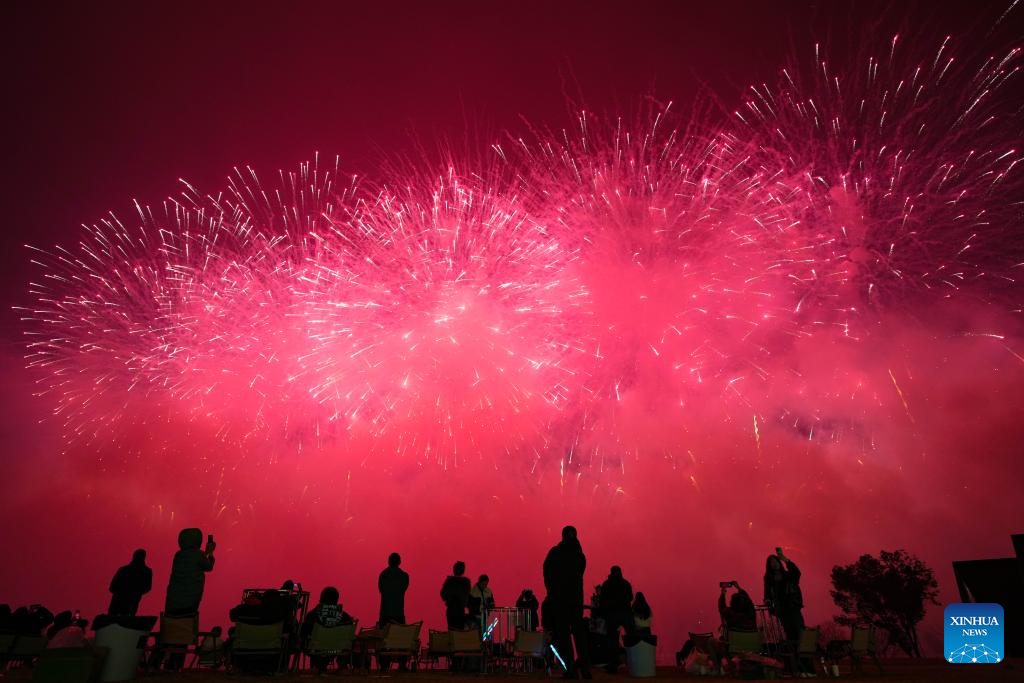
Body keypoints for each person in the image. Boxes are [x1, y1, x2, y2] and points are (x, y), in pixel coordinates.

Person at [543, 525, 590, 679]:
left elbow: (546, 572)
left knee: (564, 636)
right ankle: (585, 669)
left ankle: (571, 669)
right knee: (579, 635)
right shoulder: (579, 555)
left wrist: (552, 592)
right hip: (576, 601)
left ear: (562, 535)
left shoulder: (555, 553)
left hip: (560, 601)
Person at [301, 586, 354, 674]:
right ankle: (342, 665)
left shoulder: (312, 615)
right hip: (336, 648)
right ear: (336, 599)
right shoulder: (345, 617)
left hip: (316, 649)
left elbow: (304, 633)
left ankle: (317, 665)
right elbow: (350, 636)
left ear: (321, 598)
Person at [165, 528, 216, 617]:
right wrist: (210, 553)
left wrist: (205, 552)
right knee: (188, 622)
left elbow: (194, 560)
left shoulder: (178, 555)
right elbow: (208, 567)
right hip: (190, 601)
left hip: (173, 601)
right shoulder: (198, 554)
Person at [764, 549, 804, 642]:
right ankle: (793, 652)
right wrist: (767, 600)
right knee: (789, 631)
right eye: (771, 562)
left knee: (799, 629)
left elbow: (797, 573)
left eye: (775, 561)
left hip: (793, 605)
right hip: (782, 608)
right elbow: (767, 592)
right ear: (769, 566)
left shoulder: (787, 575)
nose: (774, 563)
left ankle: (803, 651)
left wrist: (785, 559)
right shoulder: (769, 578)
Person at [598, 566, 633, 672]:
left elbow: (602, 600)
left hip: (612, 615)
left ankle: (613, 665)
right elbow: (630, 597)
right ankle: (634, 662)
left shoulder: (607, 584)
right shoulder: (626, 584)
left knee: (612, 641)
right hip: (625, 614)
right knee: (631, 638)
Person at [108, 549, 153, 616]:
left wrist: (136, 592)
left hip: (131, 602)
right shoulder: (124, 570)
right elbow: (112, 587)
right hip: (119, 601)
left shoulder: (146, 571)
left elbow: (147, 587)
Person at [378, 552, 409, 626]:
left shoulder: (383, 575)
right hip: (399, 614)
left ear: (389, 561)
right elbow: (404, 588)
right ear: (399, 562)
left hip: (385, 615)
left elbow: (381, 590)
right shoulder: (404, 576)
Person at [440, 561, 471, 629]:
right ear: (463, 571)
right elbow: (468, 596)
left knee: (451, 631)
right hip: (460, 610)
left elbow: (443, 594)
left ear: (454, 570)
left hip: (451, 610)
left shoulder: (449, 581)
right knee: (459, 631)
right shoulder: (466, 582)